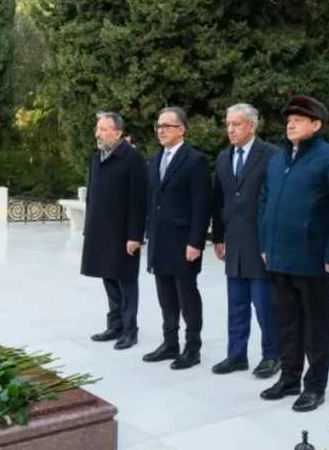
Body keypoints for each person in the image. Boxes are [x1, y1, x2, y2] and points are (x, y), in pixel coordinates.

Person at [257, 96, 329, 412]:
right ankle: (289, 377)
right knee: (286, 322)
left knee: (315, 326)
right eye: (289, 119)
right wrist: (265, 244)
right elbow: (264, 203)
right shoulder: (277, 160)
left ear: (316, 124)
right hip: (279, 256)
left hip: (312, 259)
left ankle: (315, 386)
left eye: (298, 119)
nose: (291, 124)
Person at [211, 103, 280, 379]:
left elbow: (274, 201)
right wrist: (218, 236)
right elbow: (219, 199)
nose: (230, 129)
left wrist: (269, 243)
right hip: (234, 241)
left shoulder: (272, 155)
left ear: (252, 126)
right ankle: (236, 355)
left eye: (236, 124)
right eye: (228, 124)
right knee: (236, 305)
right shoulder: (223, 158)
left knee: (264, 305)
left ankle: (272, 355)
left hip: (259, 243)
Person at [143, 107, 212, 370]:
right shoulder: (154, 159)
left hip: (183, 241)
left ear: (181, 130)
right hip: (160, 239)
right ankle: (169, 342)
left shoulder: (194, 160)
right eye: (158, 126)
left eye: (166, 126)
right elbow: (152, 200)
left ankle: (192, 347)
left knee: (186, 295)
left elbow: (201, 204)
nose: (161, 131)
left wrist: (196, 241)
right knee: (166, 296)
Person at [82, 112, 149, 350]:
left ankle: (130, 330)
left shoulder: (133, 159)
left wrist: (135, 235)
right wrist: (88, 227)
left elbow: (139, 200)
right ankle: (115, 325)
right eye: (97, 129)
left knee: (126, 281)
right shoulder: (96, 159)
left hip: (123, 234)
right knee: (108, 278)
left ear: (118, 133)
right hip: (100, 230)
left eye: (103, 129)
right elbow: (91, 196)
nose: (98, 134)